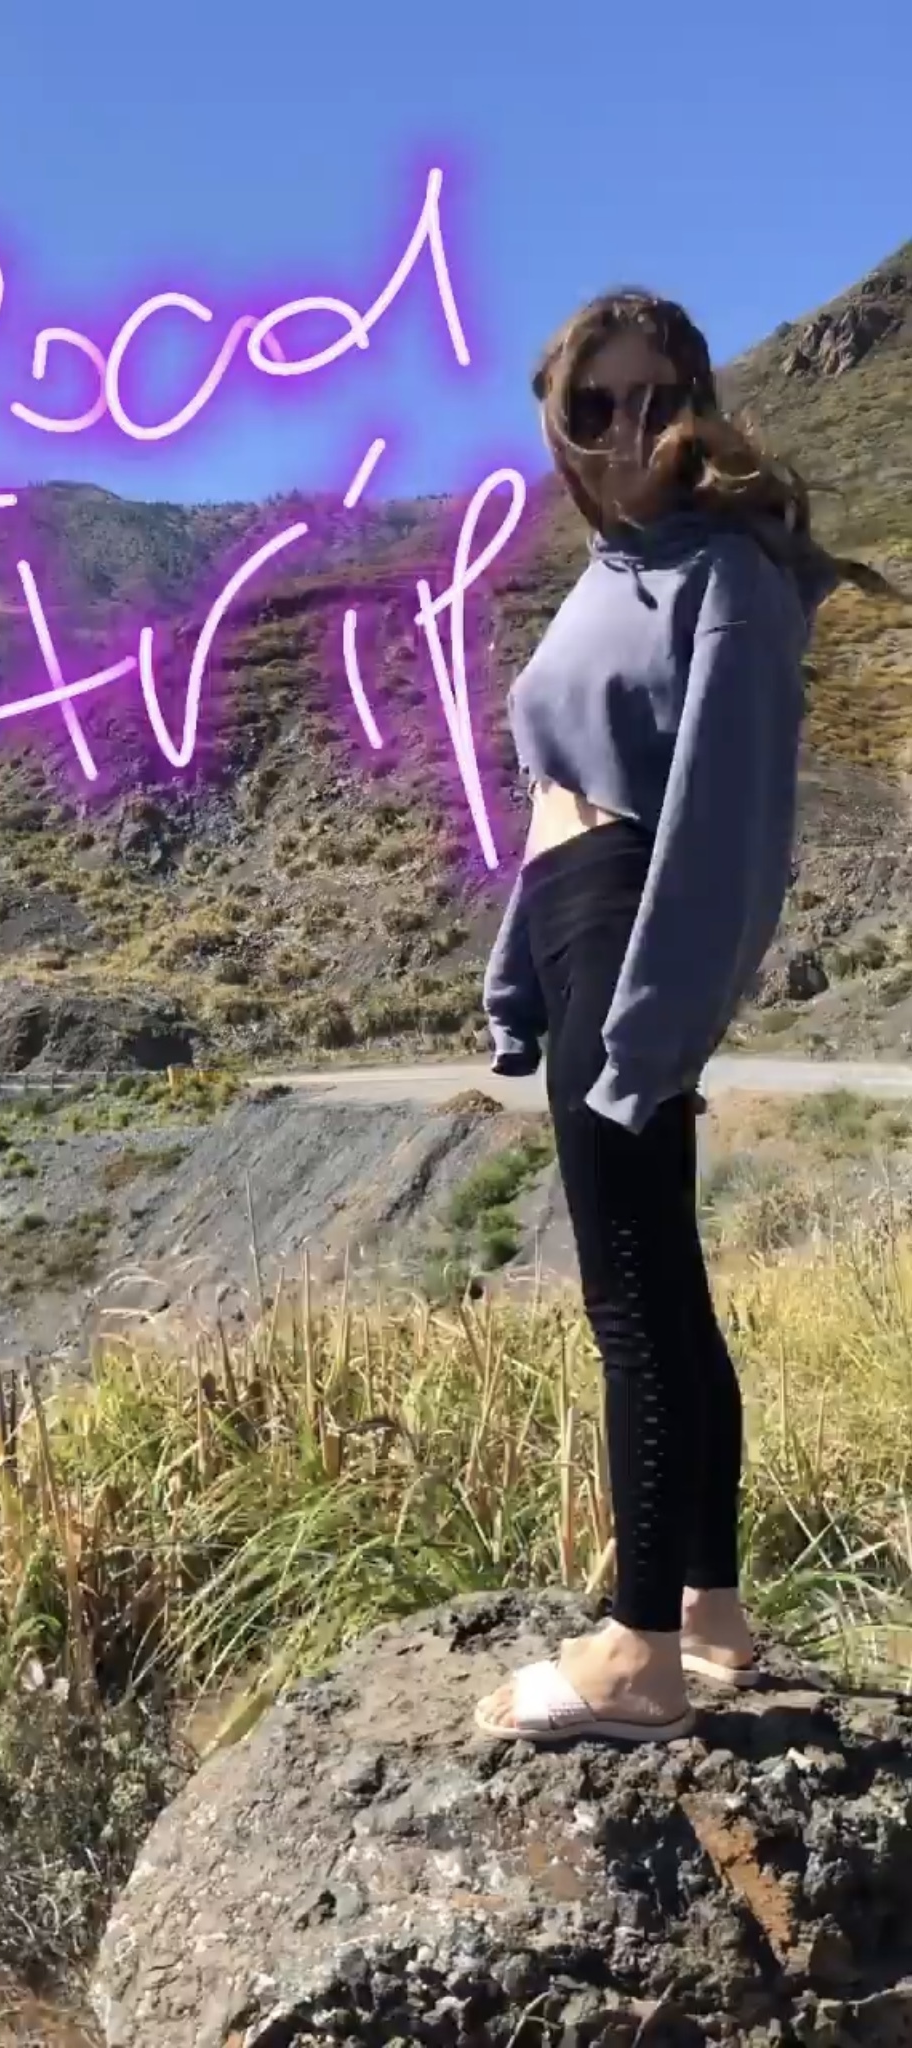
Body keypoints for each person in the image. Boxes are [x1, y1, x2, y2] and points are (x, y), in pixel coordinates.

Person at [474, 287, 903, 1745]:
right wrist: (517, 974)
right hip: (576, 924)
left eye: (654, 399)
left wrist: (648, 1021)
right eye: (593, 404)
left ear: (696, 406)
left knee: (630, 1303)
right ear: (557, 423)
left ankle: (638, 1652)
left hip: (623, 932)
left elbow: (723, 828)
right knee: (667, 1283)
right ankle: (709, 1610)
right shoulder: (618, 569)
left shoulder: (725, 572)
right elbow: (559, 794)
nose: (626, 429)